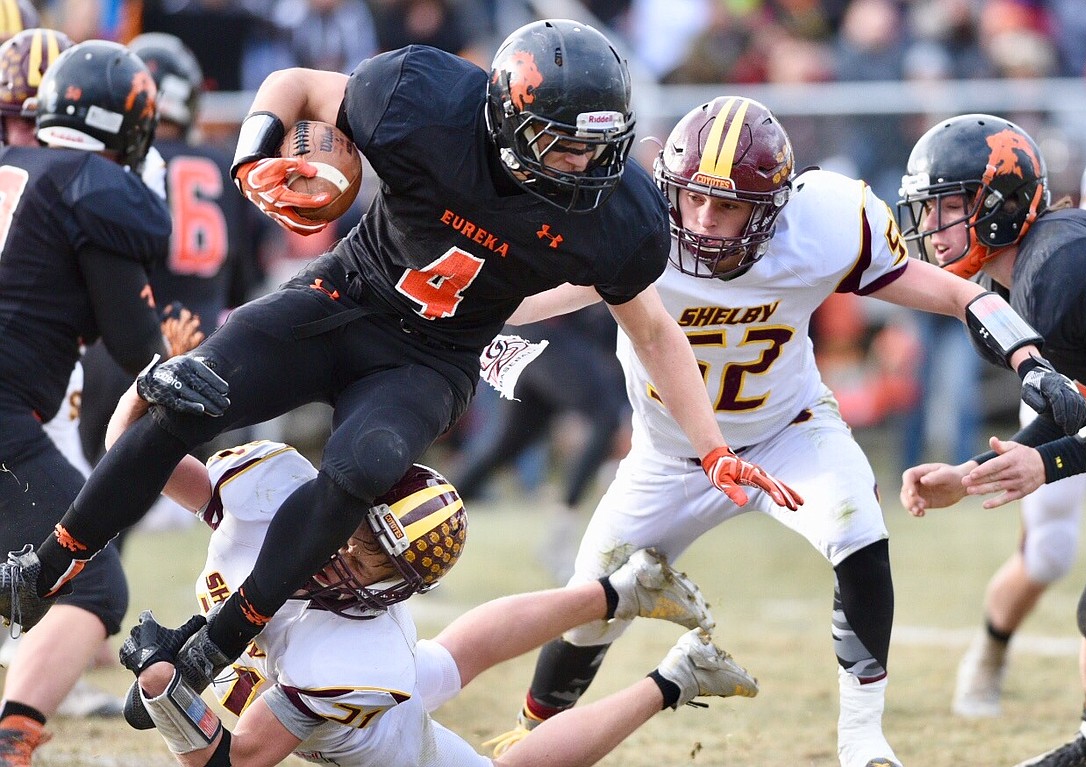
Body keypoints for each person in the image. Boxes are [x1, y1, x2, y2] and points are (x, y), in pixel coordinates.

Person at [0, 18, 798, 716]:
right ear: (507, 118)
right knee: (190, 397)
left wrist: (713, 446)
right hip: (343, 297)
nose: (585, 164)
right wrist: (255, 158)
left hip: (433, 357)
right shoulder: (422, 98)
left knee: (363, 465)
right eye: (566, 143)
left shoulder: (620, 216)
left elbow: (653, 329)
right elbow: (296, 83)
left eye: (601, 147)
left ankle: (220, 639)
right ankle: (43, 569)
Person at [486, 97, 1086, 767]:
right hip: (669, 454)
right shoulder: (637, 227)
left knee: (859, 522)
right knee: (588, 602)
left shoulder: (823, 224)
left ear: (772, 207)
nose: (704, 222)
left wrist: (1027, 357)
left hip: (787, 431)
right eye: (693, 201)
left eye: (729, 207)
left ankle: (863, 741)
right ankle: (530, 736)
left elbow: (954, 292)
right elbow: (514, 296)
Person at [104, 383, 757, 767]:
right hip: (311, 674)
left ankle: (677, 676)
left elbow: (238, 758)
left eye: (381, 567)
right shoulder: (268, 497)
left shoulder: (354, 651)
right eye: (360, 537)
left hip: (367, 726)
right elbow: (129, 457)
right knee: (458, 652)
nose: (354, 564)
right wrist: (149, 387)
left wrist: (167, 693)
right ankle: (625, 589)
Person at [898, 114, 1086, 767]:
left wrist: (1046, 465)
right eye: (928, 206)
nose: (931, 225)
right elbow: (1075, 402)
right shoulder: (1000, 298)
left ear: (1000, 200)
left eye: (948, 204)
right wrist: (971, 475)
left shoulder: (1061, 261)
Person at [0, 37, 209, 764]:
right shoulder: (93, 185)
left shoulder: (15, 168)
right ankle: (12, 738)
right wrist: (172, 366)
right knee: (89, 582)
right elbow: (132, 344)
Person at [78, 31, 261, 475]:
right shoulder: (221, 163)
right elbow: (242, 273)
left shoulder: (124, 165)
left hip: (132, 342)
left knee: (89, 477)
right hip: (210, 346)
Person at [453, 303, 628, 582]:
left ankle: (431, 515)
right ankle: (560, 537)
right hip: (545, 329)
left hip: (539, 334)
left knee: (507, 445)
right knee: (604, 417)